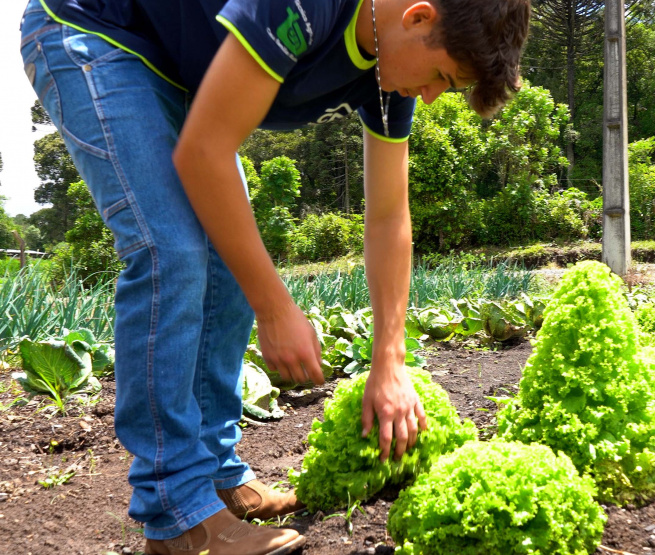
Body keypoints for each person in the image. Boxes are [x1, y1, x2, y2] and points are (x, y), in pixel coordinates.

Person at [19, 0, 530, 553]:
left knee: (231, 258)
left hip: (175, 65)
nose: (431, 96)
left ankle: (215, 473)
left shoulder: (389, 75)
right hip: (95, 30)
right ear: (418, 17)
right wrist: (276, 308)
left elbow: (389, 217)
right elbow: (204, 152)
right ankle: (177, 514)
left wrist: (390, 359)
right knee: (173, 251)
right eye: (440, 77)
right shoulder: (305, 7)